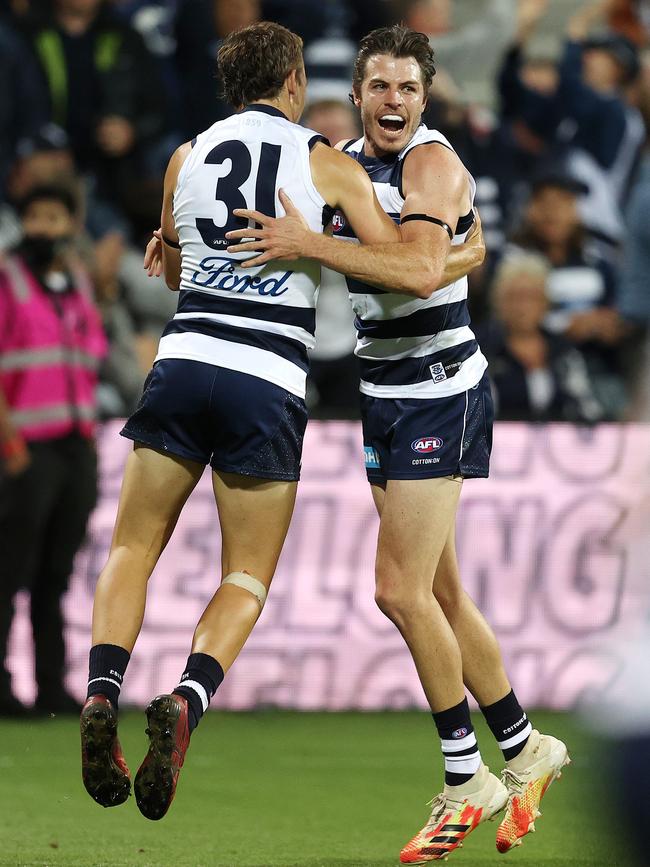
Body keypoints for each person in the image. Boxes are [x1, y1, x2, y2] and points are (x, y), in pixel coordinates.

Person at [79, 20, 483, 822]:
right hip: (265, 380)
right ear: (295, 81)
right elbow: (403, 270)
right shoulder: (326, 164)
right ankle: (188, 700)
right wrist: (458, 253)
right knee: (246, 576)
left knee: (131, 546)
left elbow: (180, 267)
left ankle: (100, 692)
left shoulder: (185, 158)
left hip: (184, 361)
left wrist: (177, 247)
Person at [226, 24, 569, 863]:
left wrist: (319, 243)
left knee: (397, 589)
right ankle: (525, 747)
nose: (393, 102)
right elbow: (438, 252)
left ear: (427, 95)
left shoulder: (431, 164)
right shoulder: (343, 160)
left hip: (437, 392)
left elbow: (417, 270)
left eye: (408, 89)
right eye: (380, 86)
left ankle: (466, 778)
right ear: (358, 92)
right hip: (384, 391)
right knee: (442, 593)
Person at [0, 184, 107, 716]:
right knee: (9, 570)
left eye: (55, 216)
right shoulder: (7, 280)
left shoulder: (77, 283)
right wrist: (9, 442)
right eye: (35, 216)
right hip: (24, 447)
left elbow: (91, 356)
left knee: (56, 575)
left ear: (71, 223)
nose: (45, 227)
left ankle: (49, 686)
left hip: (74, 446)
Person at [477, 253, 605, 422]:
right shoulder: (481, 349)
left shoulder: (563, 350)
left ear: (545, 302)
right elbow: (475, 412)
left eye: (532, 297)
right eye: (515, 297)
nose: (523, 307)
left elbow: (586, 406)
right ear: (499, 301)